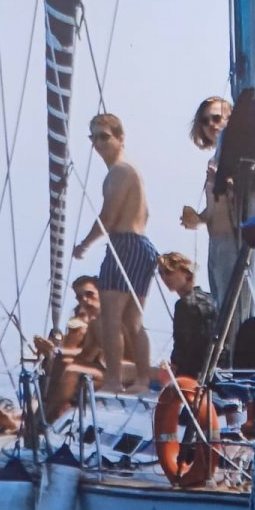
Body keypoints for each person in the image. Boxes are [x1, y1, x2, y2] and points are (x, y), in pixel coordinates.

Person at [73, 112, 157, 391]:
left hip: (126, 244)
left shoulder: (120, 172)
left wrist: (84, 244)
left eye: (104, 136)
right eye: (94, 137)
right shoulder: (126, 172)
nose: (98, 143)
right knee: (132, 320)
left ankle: (112, 381)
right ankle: (142, 379)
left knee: (111, 317)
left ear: (120, 139)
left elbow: (107, 218)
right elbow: (145, 212)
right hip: (140, 246)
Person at [180, 97, 241, 306]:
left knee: (232, 305)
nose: (211, 125)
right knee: (221, 303)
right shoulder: (216, 158)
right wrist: (198, 218)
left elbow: (247, 194)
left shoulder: (239, 153)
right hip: (217, 242)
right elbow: (218, 205)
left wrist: (226, 181)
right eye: (205, 121)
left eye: (216, 118)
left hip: (235, 241)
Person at [36, 275, 107, 420]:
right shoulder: (83, 316)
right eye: (79, 297)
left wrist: (58, 351)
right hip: (91, 366)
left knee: (68, 368)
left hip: (108, 372)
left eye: (89, 294)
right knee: (55, 363)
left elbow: (89, 353)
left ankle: (48, 418)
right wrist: (53, 352)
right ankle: (41, 415)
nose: (84, 300)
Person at [157, 252, 218, 381]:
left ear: (186, 273)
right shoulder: (211, 299)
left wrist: (173, 366)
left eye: (168, 272)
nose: (164, 278)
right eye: (161, 273)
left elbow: (182, 343)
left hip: (190, 374)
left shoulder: (183, 305)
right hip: (215, 370)